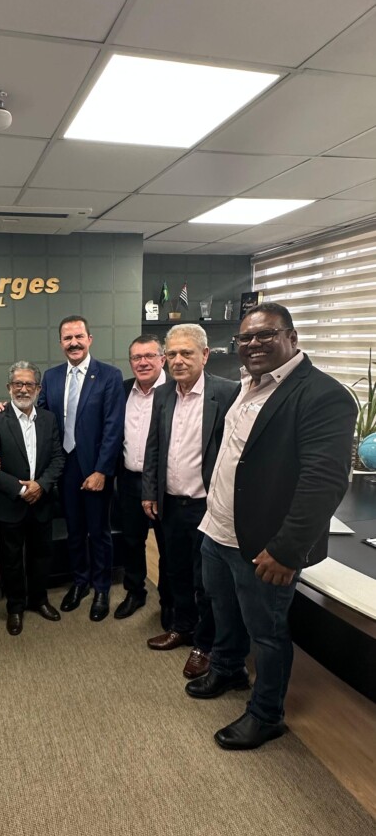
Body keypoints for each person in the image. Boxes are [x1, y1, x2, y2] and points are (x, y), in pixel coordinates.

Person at [186, 302, 357, 750]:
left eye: (266, 334)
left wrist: (286, 550)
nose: (254, 344)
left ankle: (266, 714)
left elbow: (324, 482)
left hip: (265, 544)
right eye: (246, 337)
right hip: (218, 529)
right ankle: (228, 669)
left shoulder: (322, 395)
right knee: (223, 611)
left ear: (292, 337)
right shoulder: (247, 385)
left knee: (267, 632)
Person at [142, 325, 237, 678]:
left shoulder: (227, 393)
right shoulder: (163, 394)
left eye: (187, 353)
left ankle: (205, 643)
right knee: (175, 570)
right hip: (170, 503)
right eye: (172, 354)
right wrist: (149, 491)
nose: (178, 360)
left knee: (207, 580)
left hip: (207, 506)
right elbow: (153, 447)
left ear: (205, 355)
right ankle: (182, 627)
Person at [39, 316, 125, 622]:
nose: (73, 343)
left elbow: (114, 427)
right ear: (60, 343)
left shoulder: (109, 375)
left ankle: (101, 588)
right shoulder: (51, 376)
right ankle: (80, 582)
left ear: (90, 339)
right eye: (67, 338)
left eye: (78, 336)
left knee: (98, 531)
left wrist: (102, 470)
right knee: (74, 529)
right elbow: (39, 414)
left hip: (95, 466)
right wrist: (6, 409)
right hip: (65, 465)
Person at [0, 362, 64, 636]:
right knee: (11, 559)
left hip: (42, 501)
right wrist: (23, 490)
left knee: (42, 555)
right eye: (18, 384)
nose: (23, 389)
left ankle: (39, 599)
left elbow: (58, 458)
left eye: (29, 384)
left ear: (38, 388)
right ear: (9, 388)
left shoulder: (49, 419)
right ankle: (15, 607)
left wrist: (41, 485)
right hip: (9, 504)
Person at [115, 335, 171, 625]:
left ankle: (169, 601)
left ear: (163, 359)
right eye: (137, 357)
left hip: (165, 485)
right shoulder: (123, 390)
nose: (143, 362)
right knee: (132, 541)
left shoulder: (175, 390)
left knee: (167, 545)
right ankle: (135, 591)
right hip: (129, 480)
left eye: (149, 356)